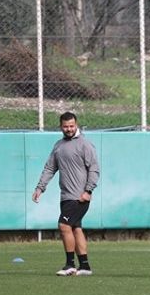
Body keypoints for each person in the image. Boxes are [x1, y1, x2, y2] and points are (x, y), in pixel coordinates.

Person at [32, 111, 100, 276]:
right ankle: (84, 266)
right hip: (66, 196)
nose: (69, 129)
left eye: (71, 126)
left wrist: (88, 190)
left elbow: (94, 169)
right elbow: (50, 168)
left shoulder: (85, 144)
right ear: (61, 126)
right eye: (65, 126)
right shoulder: (59, 146)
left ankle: (70, 264)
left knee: (64, 226)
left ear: (76, 125)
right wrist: (40, 187)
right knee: (75, 229)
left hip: (79, 197)